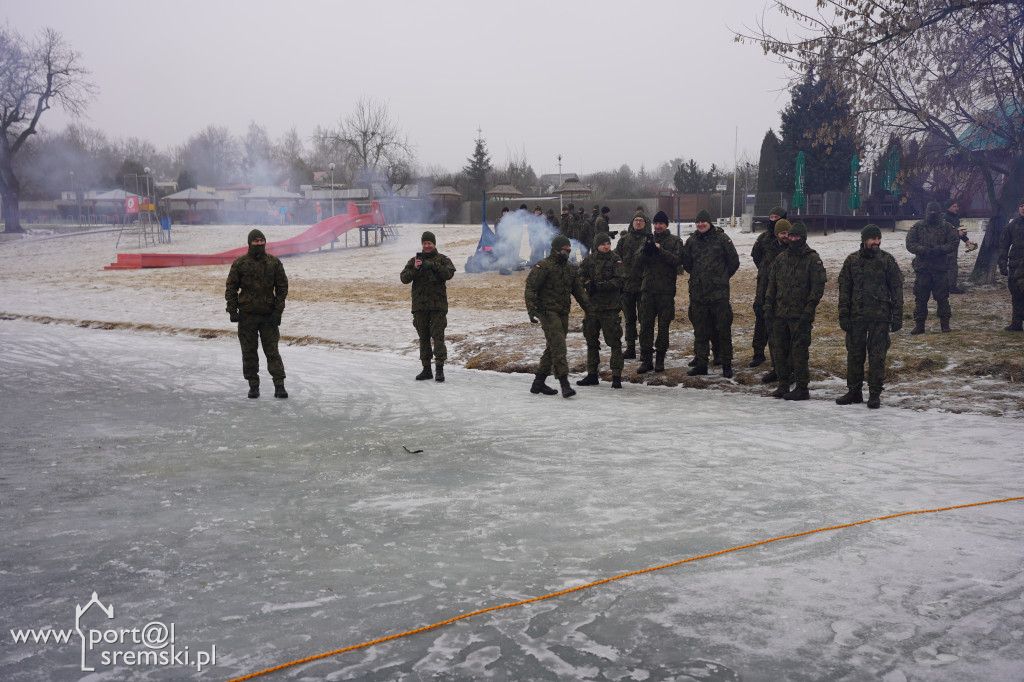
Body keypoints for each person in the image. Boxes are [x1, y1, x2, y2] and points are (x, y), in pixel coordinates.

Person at [836, 224, 904, 409]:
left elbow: (897, 289)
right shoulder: (852, 261)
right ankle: (854, 391)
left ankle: (875, 394)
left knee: (877, 356)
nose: (876, 242)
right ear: (864, 240)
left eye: (878, 238)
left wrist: (898, 315)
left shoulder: (887, 260)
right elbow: (844, 290)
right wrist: (843, 314)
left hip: (880, 317)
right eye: (873, 239)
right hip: (856, 316)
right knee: (855, 355)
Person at [764, 221, 827, 401]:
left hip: (800, 316)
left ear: (803, 238)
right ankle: (783, 384)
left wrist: (808, 311)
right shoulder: (781, 258)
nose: (792, 239)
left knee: (799, 352)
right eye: (790, 236)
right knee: (780, 351)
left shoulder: (812, 259)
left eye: (796, 236)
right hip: (780, 314)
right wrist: (769, 306)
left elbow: (817, 288)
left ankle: (801, 387)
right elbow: (772, 284)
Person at [225, 229, 289, 399]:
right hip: (247, 317)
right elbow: (231, 287)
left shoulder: (274, 263)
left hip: (268, 316)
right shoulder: (240, 264)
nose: (259, 243)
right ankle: (253, 386)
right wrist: (232, 310)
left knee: (272, 352)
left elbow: (282, 288)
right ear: (250, 243)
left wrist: (278, 310)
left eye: (262, 240)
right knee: (249, 352)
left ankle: (279, 385)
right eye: (256, 241)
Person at [525, 235, 590, 398]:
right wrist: (531, 309)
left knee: (553, 346)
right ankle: (564, 384)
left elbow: (579, 291)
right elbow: (531, 287)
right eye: (564, 250)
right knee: (559, 347)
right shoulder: (544, 266)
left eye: (569, 250)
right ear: (556, 250)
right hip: (547, 312)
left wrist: (590, 308)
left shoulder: (569, 268)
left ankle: (538, 382)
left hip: (563, 312)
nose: (567, 253)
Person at [681, 210, 740, 377]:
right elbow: (687, 263)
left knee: (723, 330)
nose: (700, 224)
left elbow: (733, 261)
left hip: (718, 295)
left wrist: (721, 277)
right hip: (698, 294)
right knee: (700, 331)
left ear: (709, 222)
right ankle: (701, 364)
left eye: (703, 222)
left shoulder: (721, 239)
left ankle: (726, 364)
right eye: (698, 222)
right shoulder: (692, 241)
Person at [400, 231, 456, 381]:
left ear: (434, 244)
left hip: (437, 306)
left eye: (429, 243)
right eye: (424, 243)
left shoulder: (443, 259)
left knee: (438, 337)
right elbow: (403, 278)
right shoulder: (414, 260)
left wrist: (433, 266)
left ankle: (439, 369)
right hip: (420, 306)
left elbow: (449, 274)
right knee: (423, 338)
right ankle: (426, 369)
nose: (426, 246)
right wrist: (415, 269)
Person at [636, 210, 684, 374]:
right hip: (648, 289)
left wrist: (660, 250)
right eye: (656, 224)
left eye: (661, 224)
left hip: (665, 291)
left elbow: (678, 261)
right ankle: (647, 359)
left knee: (663, 327)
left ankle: (660, 359)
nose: (657, 226)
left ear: (666, 224)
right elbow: (636, 261)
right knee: (645, 326)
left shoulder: (675, 241)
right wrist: (647, 250)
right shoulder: (647, 239)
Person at [576, 232, 626, 388]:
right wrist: (588, 283)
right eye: (603, 244)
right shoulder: (589, 260)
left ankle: (616, 376)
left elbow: (619, 280)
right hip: (592, 309)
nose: (606, 246)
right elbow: (580, 276)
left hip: (610, 308)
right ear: (597, 245)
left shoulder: (616, 260)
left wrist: (600, 286)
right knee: (591, 342)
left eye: (608, 244)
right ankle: (592, 374)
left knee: (614, 342)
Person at [905, 201, 958, 334]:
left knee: (942, 298)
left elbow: (953, 242)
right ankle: (919, 325)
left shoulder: (947, 227)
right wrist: (924, 250)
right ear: (927, 212)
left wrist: (939, 249)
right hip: (923, 269)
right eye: (931, 212)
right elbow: (910, 243)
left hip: (940, 269)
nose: (933, 214)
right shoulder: (918, 227)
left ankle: (945, 324)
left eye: (935, 212)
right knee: (920, 299)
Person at [750, 207, 789, 372]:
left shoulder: (789, 237)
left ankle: (782, 358)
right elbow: (756, 256)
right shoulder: (763, 238)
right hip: (764, 285)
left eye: (777, 217)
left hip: (783, 288)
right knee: (761, 317)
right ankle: (758, 353)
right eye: (771, 216)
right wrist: (765, 271)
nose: (773, 219)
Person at [615, 211, 650, 359]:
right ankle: (630, 348)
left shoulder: (649, 240)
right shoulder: (624, 240)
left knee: (644, 319)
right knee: (629, 319)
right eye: (636, 220)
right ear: (632, 222)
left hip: (643, 286)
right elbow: (616, 258)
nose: (638, 222)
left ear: (645, 223)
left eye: (641, 220)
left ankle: (644, 349)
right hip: (627, 286)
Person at [998, 197, 1024, 331]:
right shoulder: (1012, 226)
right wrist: (1002, 263)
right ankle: (1016, 323)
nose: (1023, 208)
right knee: (1016, 294)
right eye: (1022, 206)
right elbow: (1003, 245)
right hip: (1016, 265)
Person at [944, 200, 973, 294]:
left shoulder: (955, 217)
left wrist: (967, 240)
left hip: (954, 245)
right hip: (947, 246)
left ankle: (949, 286)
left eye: (956, 206)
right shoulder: (945, 218)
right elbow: (944, 231)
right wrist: (956, 231)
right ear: (948, 207)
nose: (956, 208)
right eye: (953, 206)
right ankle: (951, 287)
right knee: (951, 267)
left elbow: (960, 231)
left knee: (951, 266)